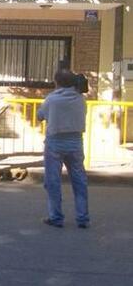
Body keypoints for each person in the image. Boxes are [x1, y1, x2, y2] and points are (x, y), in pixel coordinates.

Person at [37, 69, 89, 228]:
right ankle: (82, 218)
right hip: (75, 142)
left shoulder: (51, 99)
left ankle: (56, 217)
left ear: (57, 82)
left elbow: (40, 116)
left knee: (53, 181)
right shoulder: (81, 99)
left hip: (55, 143)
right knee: (79, 181)